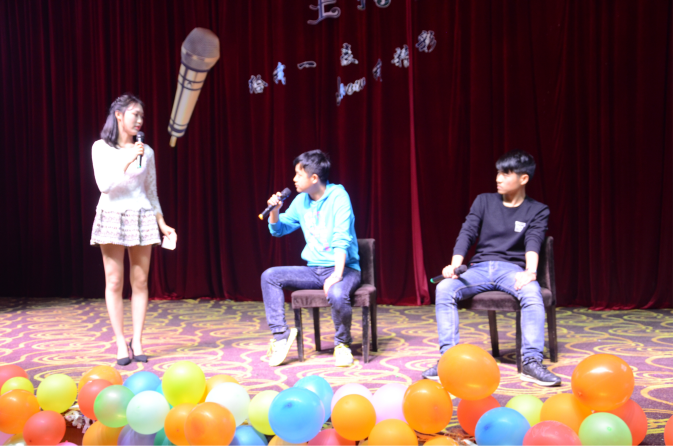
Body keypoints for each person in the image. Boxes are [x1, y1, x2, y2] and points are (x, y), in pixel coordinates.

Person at [423, 149, 561, 387]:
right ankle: (448, 360)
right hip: (479, 268)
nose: (498, 178)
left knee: (532, 292)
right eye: (498, 173)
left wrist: (530, 272)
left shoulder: (537, 209)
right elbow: (467, 233)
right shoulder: (483, 201)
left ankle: (531, 362)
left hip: (512, 270)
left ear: (523, 178)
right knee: (444, 288)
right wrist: (455, 265)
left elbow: (534, 241)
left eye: (505, 174)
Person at [90, 93, 176, 366]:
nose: (139, 120)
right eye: (134, 114)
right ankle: (119, 341)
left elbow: (151, 192)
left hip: (142, 216)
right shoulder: (101, 148)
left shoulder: (146, 151)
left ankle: (137, 340)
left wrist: (162, 223)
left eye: (142, 116)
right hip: (112, 214)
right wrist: (127, 160)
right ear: (118, 115)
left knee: (139, 282)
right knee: (114, 281)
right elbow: (104, 186)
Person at [261, 150, 361, 367]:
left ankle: (342, 344)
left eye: (299, 174)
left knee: (336, 292)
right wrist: (275, 211)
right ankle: (281, 336)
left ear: (314, 178)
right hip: (314, 270)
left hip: (345, 269)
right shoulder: (300, 201)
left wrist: (337, 275)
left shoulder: (339, 197)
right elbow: (279, 230)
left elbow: (341, 238)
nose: (294, 179)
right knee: (270, 276)